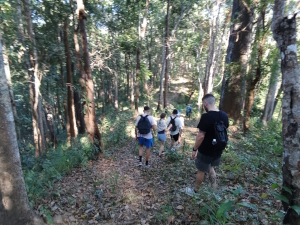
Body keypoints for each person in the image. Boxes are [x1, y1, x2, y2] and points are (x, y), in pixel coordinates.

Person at [186, 94, 228, 195]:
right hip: (218, 149)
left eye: (203, 104)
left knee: (201, 170)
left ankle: (195, 192)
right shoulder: (224, 115)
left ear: (205, 103)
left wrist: (194, 149)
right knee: (211, 168)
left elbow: (200, 136)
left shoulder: (206, 117)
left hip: (206, 150)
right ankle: (215, 192)